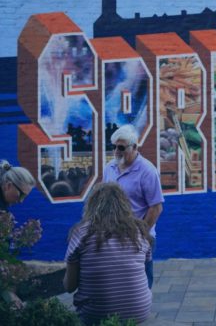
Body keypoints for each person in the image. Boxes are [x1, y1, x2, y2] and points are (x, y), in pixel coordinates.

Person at [63, 183, 152, 325]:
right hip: (139, 312)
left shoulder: (82, 233)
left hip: (95, 315)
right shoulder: (139, 232)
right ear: (125, 206)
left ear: (92, 205)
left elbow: (69, 287)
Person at [103, 124, 164, 288]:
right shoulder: (109, 168)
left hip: (140, 237)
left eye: (121, 147)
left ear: (135, 147)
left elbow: (156, 207)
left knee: (141, 282)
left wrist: (140, 233)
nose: (116, 151)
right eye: (113, 146)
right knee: (117, 281)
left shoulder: (147, 171)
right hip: (113, 236)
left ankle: (141, 311)